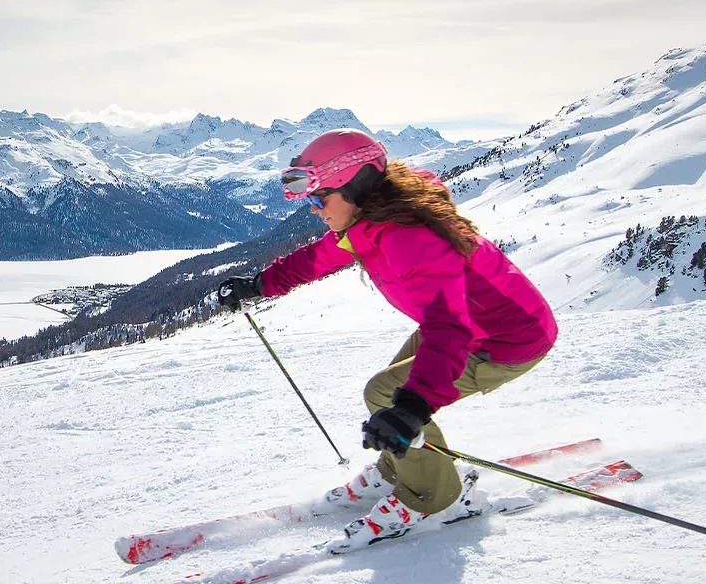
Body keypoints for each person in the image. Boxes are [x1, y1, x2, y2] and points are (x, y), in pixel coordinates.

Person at [214, 128, 558, 553]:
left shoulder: (411, 238)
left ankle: (437, 499)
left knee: (390, 395)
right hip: (469, 324)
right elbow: (318, 258)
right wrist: (260, 284)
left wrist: (414, 408)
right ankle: (400, 469)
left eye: (320, 198)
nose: (314, 208)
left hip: (505, 339)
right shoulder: (371, 220)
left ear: (355, 185)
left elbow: (449, 329)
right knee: (394, 393)